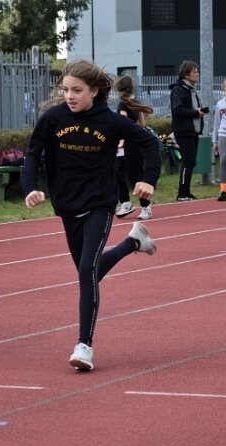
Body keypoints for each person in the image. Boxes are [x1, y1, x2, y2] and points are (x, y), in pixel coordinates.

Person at [21, 60, 162, 371]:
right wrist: (30, 187)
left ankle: (84, 346)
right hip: (68, 206)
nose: (69, 96)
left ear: (94, 91)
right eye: (66, 89)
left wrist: (149, 180)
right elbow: (32, 153)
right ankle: (132, 243)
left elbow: (151, 143)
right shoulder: (53, 118)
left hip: (100, 203)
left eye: (77, 90)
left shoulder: (110, 122)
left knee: (86, 271)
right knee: (91, 273)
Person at [114, 75, 156, 220]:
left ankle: (143, 206)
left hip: (126, 143)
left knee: (123, 173)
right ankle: (128, 203)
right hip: (135, 142)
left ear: (119, 90)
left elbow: (123, 123)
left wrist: (121, 140)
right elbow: (141, 125)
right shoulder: (136, 104)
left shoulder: (122, 105)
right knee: (130, 174)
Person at [169, 60, 206, 201]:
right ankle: (182, 193)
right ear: (186, 74)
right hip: (183, 131)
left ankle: (186, 192)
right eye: (194, 71)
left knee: (191, 161)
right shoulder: (178, 89)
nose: (197, 73)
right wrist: (196, 113)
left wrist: (199, 112)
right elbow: (177, 109)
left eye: (197, 71)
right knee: (188, 160)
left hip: (193, 131)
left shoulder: (191, 89)